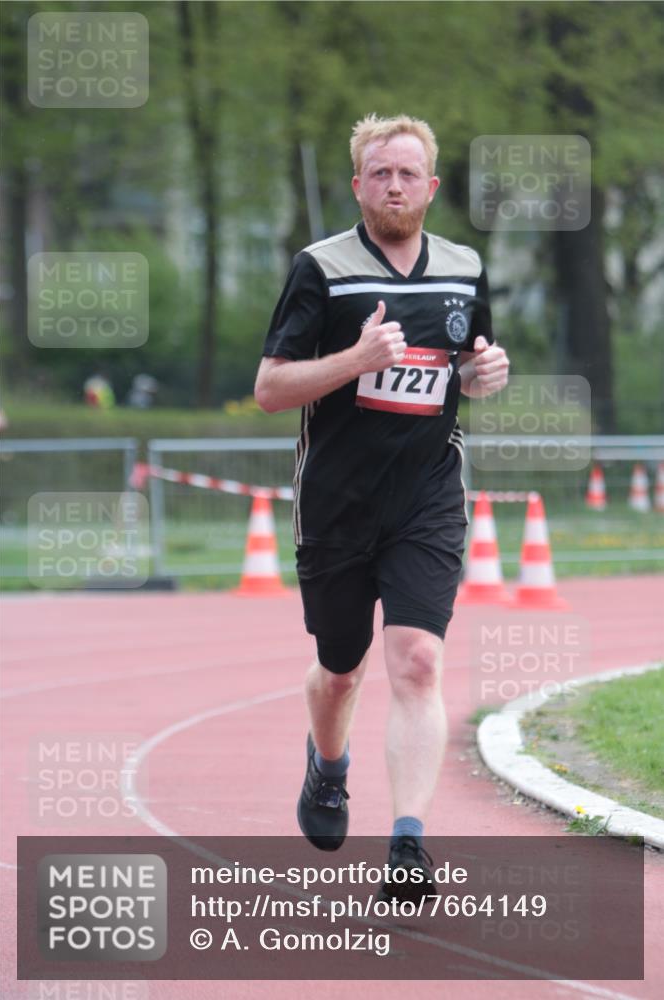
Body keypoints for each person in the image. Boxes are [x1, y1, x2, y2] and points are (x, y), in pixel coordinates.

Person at [254, 113, 509, 902]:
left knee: (419, 661)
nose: (393, 185)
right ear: (358, 184)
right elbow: (269, 390)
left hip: (425, 497)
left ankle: (406, 843)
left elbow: (462, 366)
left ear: (430, 186)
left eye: (407, 173)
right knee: (340, 670)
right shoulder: (320, 268)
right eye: (379, 173)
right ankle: (327, 769)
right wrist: (357, 360)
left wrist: (483, 374)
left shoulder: (464, 267)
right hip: (335, 503)